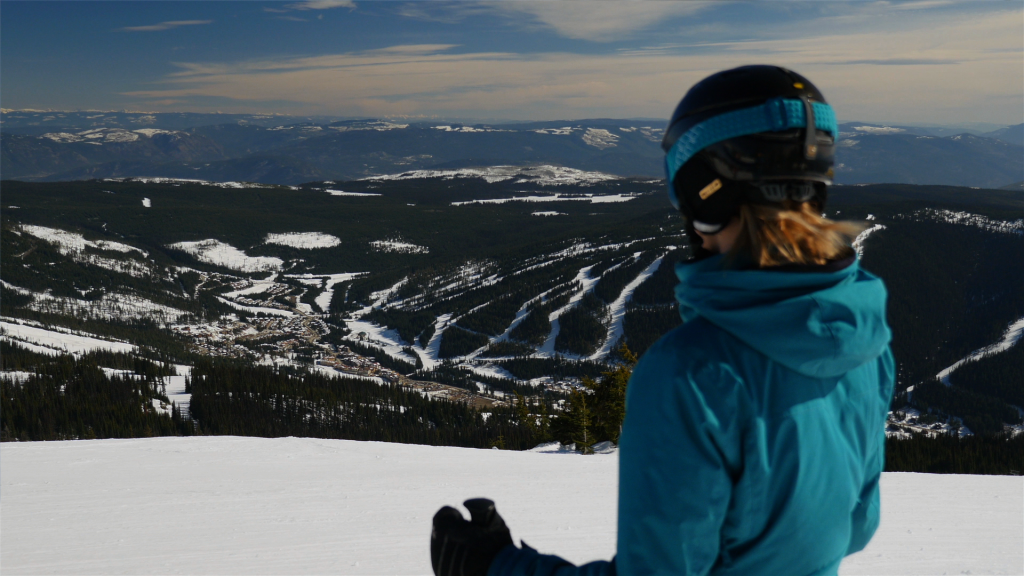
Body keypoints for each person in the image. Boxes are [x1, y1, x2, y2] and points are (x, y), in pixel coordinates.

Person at [430, 65, 895, 576]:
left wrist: (496, 568)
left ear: (703, 188)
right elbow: (856, 525)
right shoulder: (864, 343)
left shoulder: (692, 374)